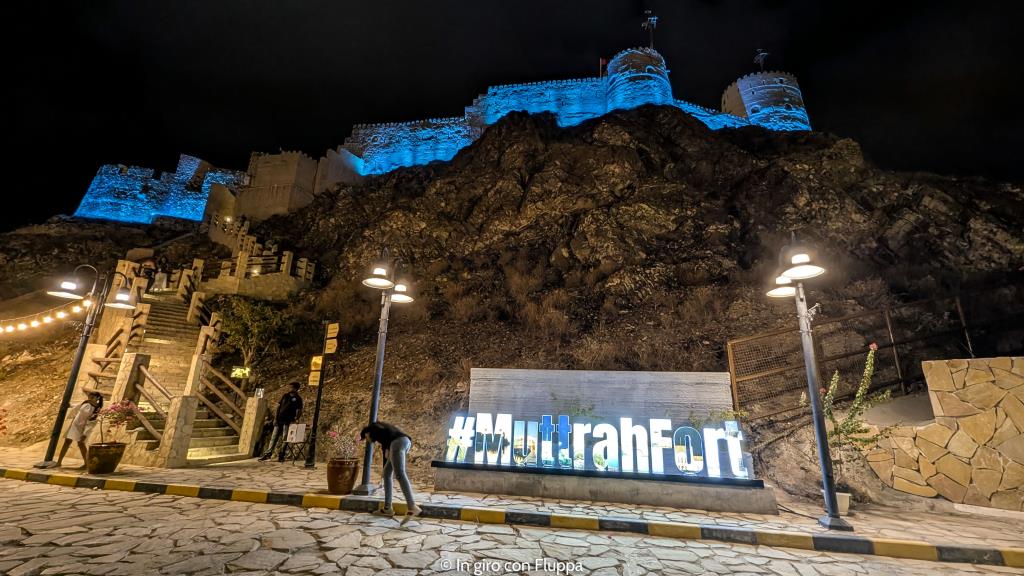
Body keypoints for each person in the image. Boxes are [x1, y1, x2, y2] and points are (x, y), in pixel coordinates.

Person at [360, 421, 421, 520]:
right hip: (402, 442)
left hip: (398, 443)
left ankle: (412, 506)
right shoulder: (382, 433)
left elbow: (385, 446)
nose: (368, 440)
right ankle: (387, 508)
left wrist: (386, 451)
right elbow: (386, 450)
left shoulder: (374, 429)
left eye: (366, 438)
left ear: (366, 433)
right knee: (387, 473)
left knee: (400, 474)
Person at [57, 392, 103, 469]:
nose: (90, 398)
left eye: (92, 397)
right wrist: (70, 405)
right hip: (75, 425)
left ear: (97, 398)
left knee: (81, 444)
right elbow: (77, 407)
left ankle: (86, 463)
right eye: (90, 396)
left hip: (82, 428)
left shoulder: (96, 409)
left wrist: (85, 433)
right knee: (67, 442)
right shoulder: (86, 403)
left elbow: (91, 422)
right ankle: (59, 462)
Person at [259, 382, 303, 462]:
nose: (289, 388)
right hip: (279, 419)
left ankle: (281, 454)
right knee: (274, 437)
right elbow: (278, 407)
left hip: (288, 421)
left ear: (295, 388)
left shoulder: (298, 399)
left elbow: (299, 410)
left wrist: (296, 418)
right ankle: (268, 454)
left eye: (291, 387)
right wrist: (275, 418)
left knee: (285, 438)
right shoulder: (285, 396)